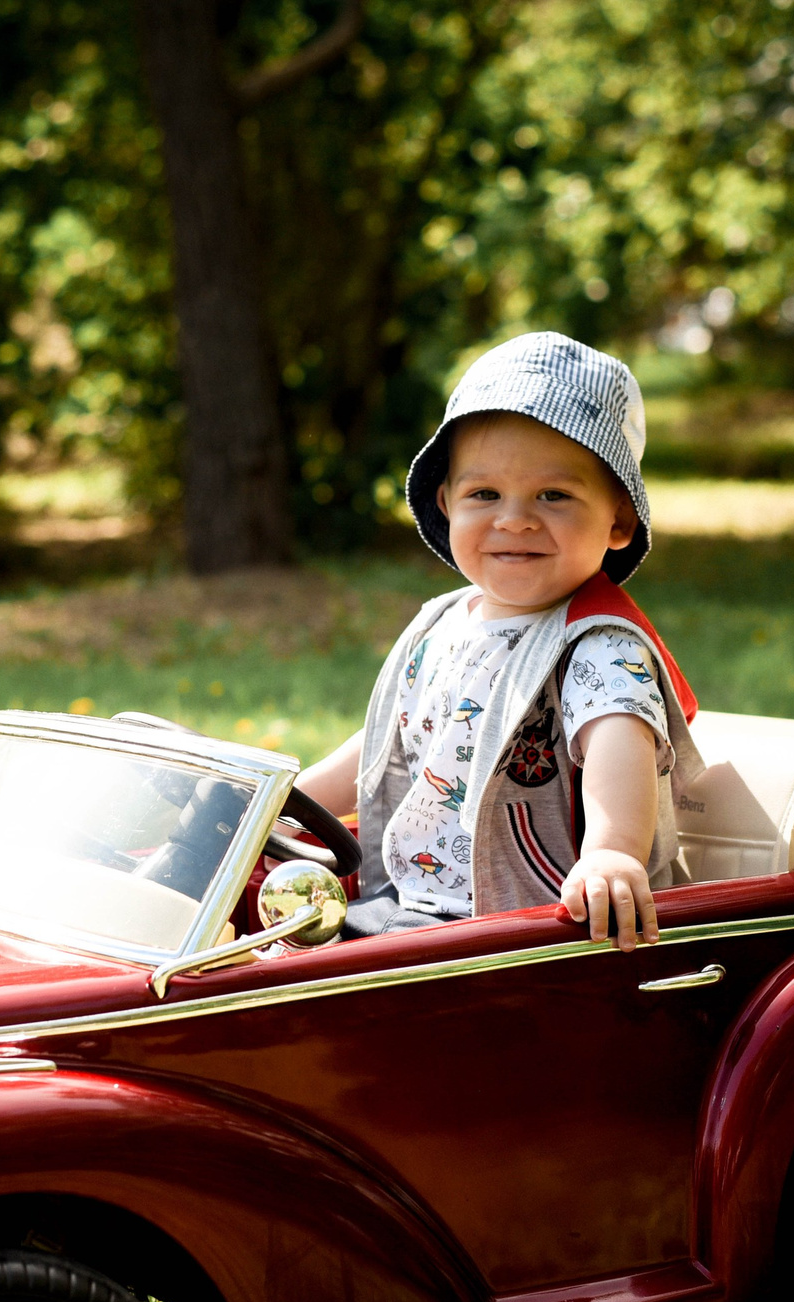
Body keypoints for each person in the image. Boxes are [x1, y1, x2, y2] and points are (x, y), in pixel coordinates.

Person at [295, 332, 702, 949]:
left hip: (521, 926)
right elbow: (391, 740)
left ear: (617, 519)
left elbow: (621, 740)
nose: (514, 518)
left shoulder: (597, 646)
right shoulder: (442, 624)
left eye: (554, 495)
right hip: (408, 900)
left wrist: (613, 854)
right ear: (446, 503)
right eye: (484, 494)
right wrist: (285, 798)